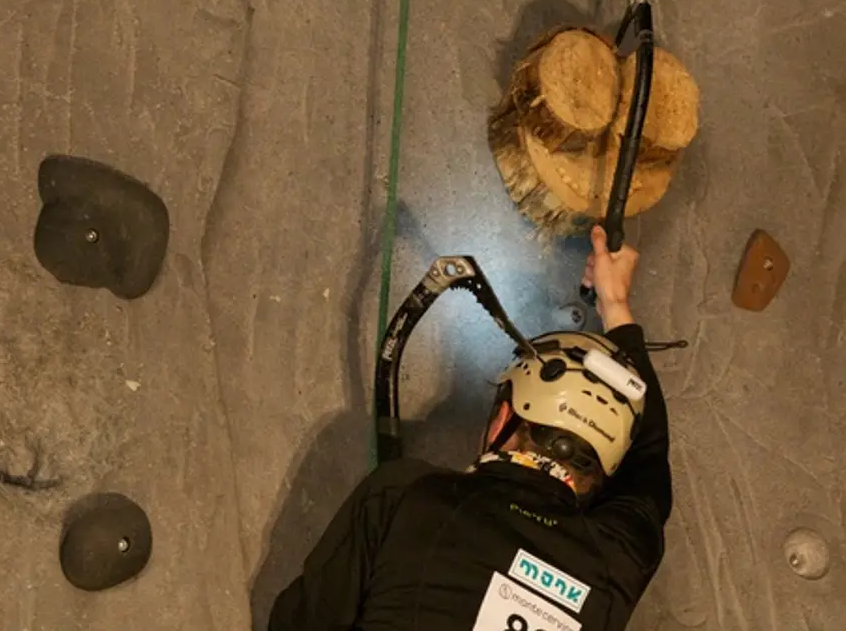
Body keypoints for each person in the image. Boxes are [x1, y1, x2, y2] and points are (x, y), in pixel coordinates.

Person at [269, 225, 672, 630]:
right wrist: (615, 305)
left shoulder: (403, 494)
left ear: (503, 417)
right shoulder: (618, 562)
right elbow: (649, 467)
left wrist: (616, 302)